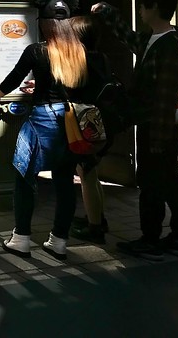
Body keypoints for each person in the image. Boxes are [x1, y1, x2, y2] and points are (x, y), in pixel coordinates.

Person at [0, 0, 85, 261]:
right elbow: (69, 85)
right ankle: (59, 241)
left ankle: (22, 238)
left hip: (41, 119)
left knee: (25, 178)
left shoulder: (37, 50)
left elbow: (14, 77)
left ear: (46, 23)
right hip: (70, 121)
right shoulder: (79, 52)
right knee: (65, 182)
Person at [92, 0, 178, 260]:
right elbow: (129, 37)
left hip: (158, 129)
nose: (141, 9)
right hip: (156, 127)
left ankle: (152, 238)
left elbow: (163, 100)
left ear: (155, 8)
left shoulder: (168, 49)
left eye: (144, 5)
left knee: (152, 184)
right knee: (169, 183)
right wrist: (107, 12)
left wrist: (157, 141)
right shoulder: (152, 41)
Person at [67, 15, 111, 245]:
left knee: (86, 175)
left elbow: (70, 89)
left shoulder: (80, 61)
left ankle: (95, 228)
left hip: (86, 125)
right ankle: (98, 218)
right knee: (93, 175)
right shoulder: (101, 58)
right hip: (101, 122)